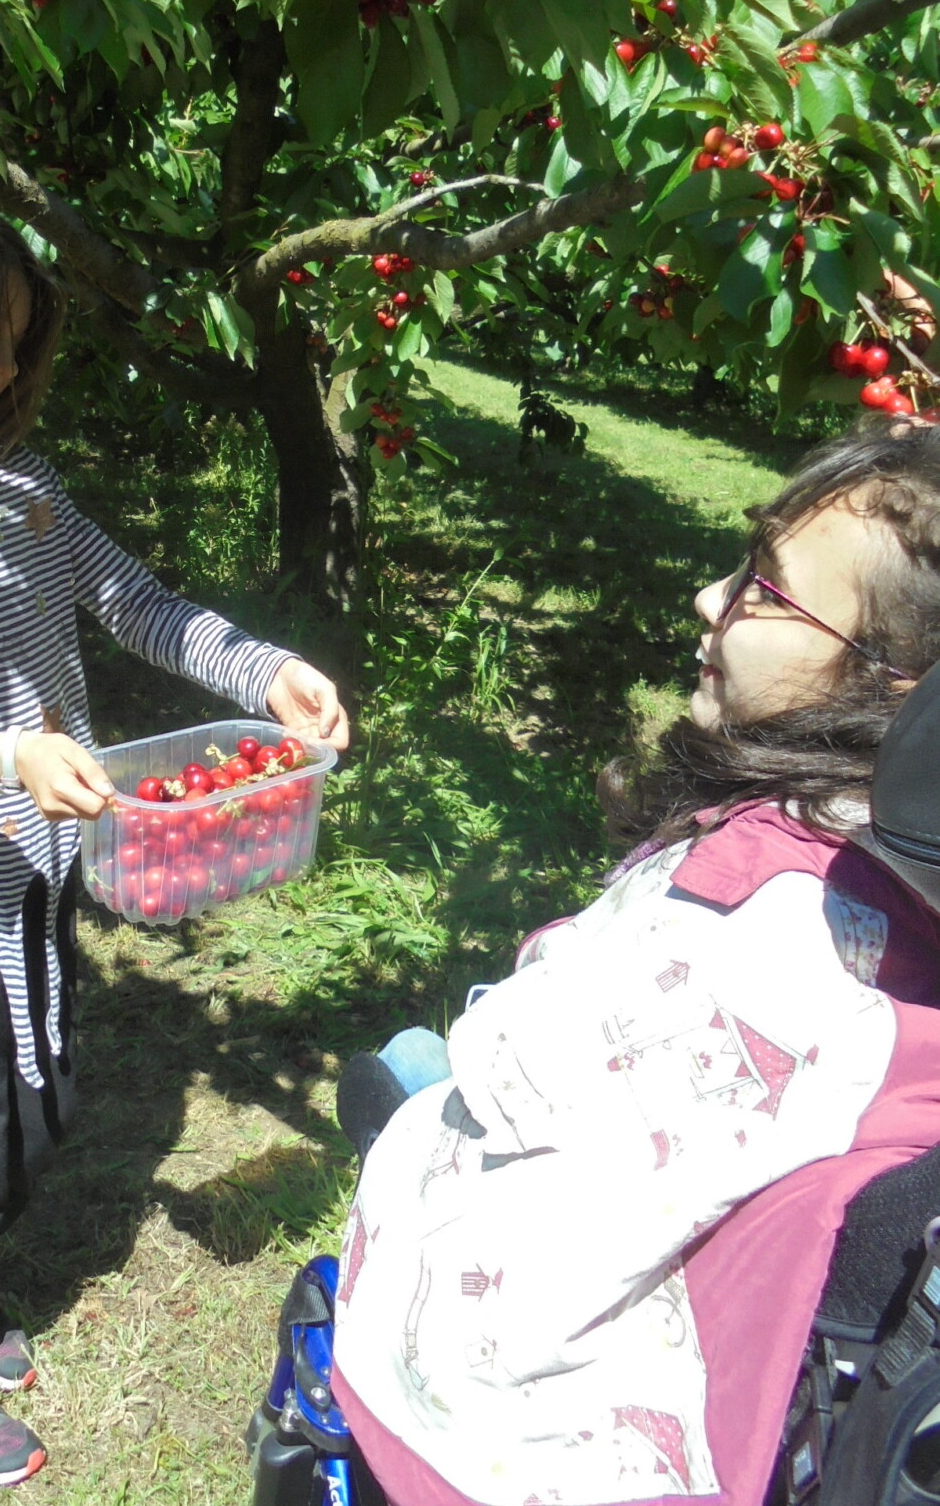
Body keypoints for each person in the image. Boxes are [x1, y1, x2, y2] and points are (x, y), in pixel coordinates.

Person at [0, 195, 349, 1490]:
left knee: (32, 1129)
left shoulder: (27, 490)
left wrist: (264, 672)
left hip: (36, 873)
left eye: (14, 345)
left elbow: (138, 605)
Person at [330, 419, 940, 1506]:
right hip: (715, 1408)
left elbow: (523, 1072)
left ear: (895, 689)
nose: (710, 599)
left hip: (501, 1440)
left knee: (422, 1062)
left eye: (764, 589)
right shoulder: (900, 880)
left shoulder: (756, 915)